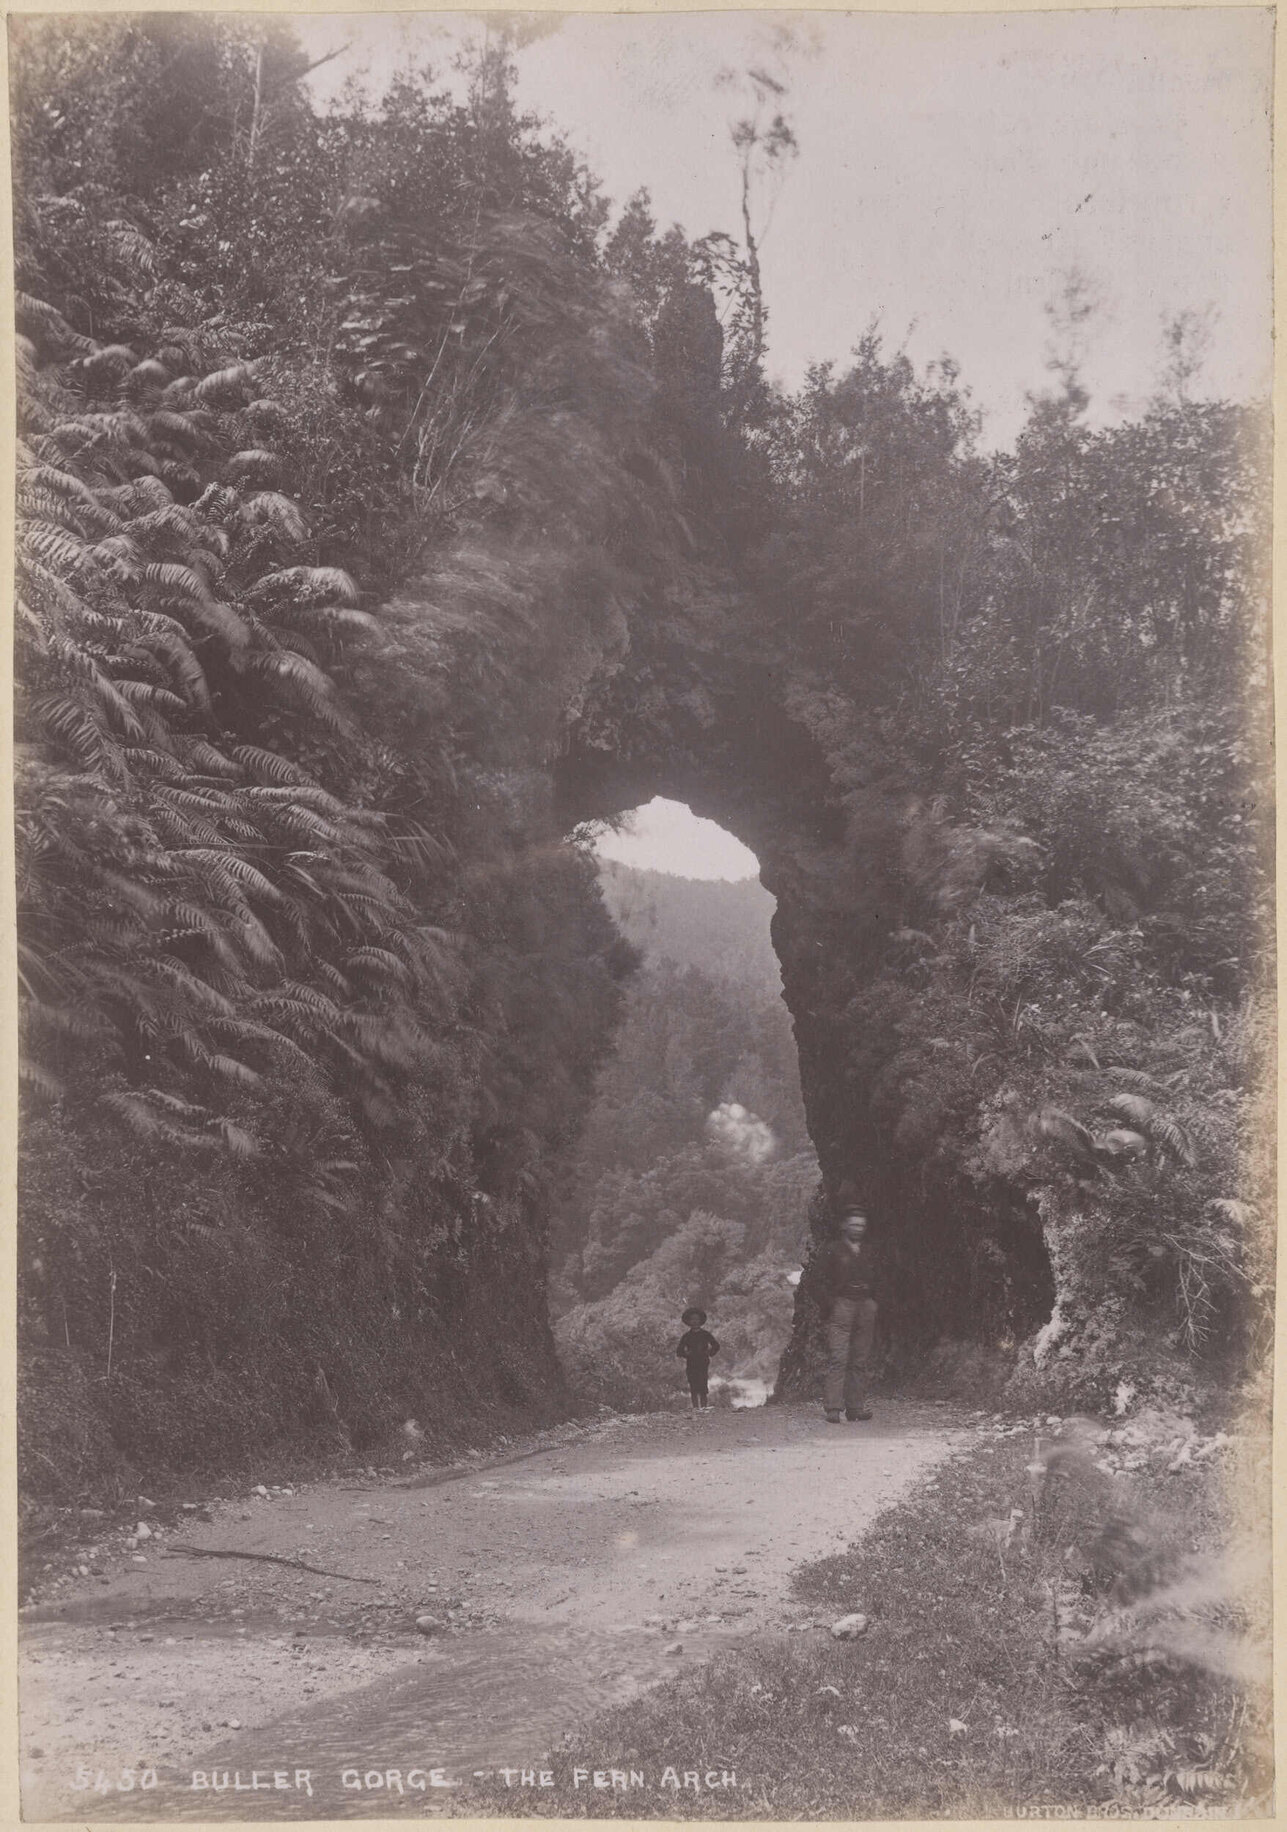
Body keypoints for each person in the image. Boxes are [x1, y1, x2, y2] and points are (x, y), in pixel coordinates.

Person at [817, 1207, 877, 1423]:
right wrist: (831, 1304)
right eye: (854, 1225)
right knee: (838, 1357)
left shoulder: (869, 1251)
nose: (858, 1229)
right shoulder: (833, 1249)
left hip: (865, 1305)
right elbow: (819, 1280)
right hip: (842, 1304)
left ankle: (855, 1408)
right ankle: (833, 1408)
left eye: (861, 1225)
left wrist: (873, 1301)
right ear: (844, 1226)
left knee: (860, 1358)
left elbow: (881, 1278)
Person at [676, 1307, 720, 1410]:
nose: (695, 1321)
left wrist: (709, 1353)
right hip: (691, 1363)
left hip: (703, 1362)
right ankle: (696, 1408)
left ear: (700, 1321)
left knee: (703, 1383)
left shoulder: (705, 1334)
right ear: (689, 1321)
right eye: (692, 1319)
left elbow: (716, 1346)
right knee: (693, 1384)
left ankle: (704, 1407)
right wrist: (687, 1354)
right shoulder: (686, 1336)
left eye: (697, 1319)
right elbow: (679, 1351)